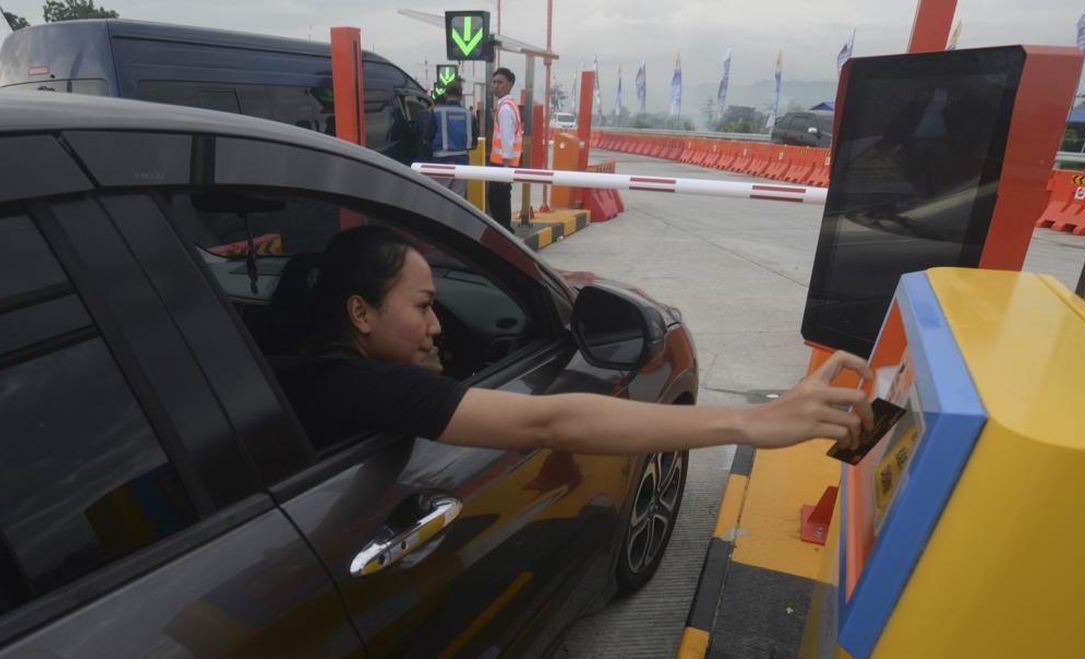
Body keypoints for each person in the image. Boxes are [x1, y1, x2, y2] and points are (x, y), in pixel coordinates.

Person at [273, 226, 875, 454]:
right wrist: (752, 422)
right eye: (425, 307)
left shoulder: (305, 370)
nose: (437, 327)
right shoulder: (361, 385)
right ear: (360, 312)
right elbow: (551, 423)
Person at [422, 82, 478, 198]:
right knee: (458, 199)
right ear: (461, 96)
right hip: (462, 161)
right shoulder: (469, 115)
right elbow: (474, 144)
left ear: (446, 95)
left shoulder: (437, 112)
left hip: (440, 162)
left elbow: (426, 140)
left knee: (439, 198)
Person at [487, 67, 523, 232]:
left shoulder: (506, 109)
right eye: (494, 82)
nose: (496, 86)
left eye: (500, 82)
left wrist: (505, 170)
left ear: (510, 85)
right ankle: (505, 232)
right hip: (501, 164)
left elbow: (507, 141)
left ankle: (505, 234)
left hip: (502, 165)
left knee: (499, 203)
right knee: (499, 201)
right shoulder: (505, 106)